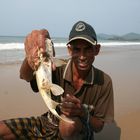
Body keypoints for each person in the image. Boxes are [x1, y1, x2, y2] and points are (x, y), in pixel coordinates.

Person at [0, 21, 114, 140]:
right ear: (69, 50)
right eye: (76, 49)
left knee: (68, 126)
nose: (82, 56)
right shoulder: (54, 66)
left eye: (88, 49)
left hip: (79, 130)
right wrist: (30, 60)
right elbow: (25, 76)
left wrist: (82, 112)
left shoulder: (104, 81)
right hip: (50, 122)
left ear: (97, 49)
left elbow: (99, 126)